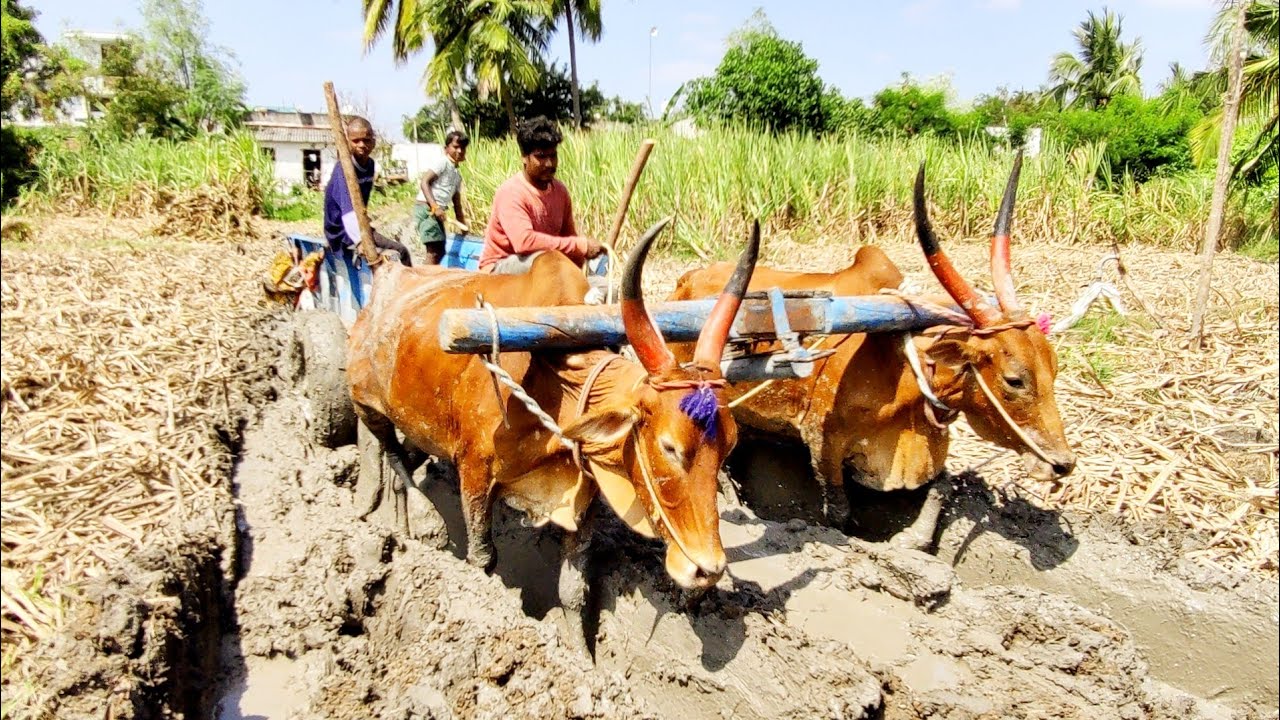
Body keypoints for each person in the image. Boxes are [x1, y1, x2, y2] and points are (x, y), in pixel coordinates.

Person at [478, 116, 603, 274]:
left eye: (553, 156)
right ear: (524, 158)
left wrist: (584, 269)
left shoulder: (560, 192)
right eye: (541, 157)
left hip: (545, 266)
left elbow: (569, 238)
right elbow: (524, 242)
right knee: (548, 261)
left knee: (600, 285)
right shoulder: (511, 192)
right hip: (501, 268)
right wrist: (580, 245)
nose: (549, 164)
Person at [323, 115, 412, 266]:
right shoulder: (344, 169)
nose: (362, 145)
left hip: (358, 226)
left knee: (395, 252)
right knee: (400, 252)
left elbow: (361, 203)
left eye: (366, 140)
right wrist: (360, 241)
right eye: (356, 141)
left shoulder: (369, 165)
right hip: (341, 231)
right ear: (347, 142)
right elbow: (348, 214)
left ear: (373, 142)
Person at [414, 130, 469, 265]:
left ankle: (429, 274)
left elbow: (456, 203)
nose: (460, 151)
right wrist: (435, 207)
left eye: (463, 148)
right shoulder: (443, 163)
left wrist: (462, 226)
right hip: (427, 209)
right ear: (446, 149)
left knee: (440, 250)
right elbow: (424, 182)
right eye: (456, 147)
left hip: (435, 212)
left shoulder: (457, 175)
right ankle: (425, 276)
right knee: (434, 250)